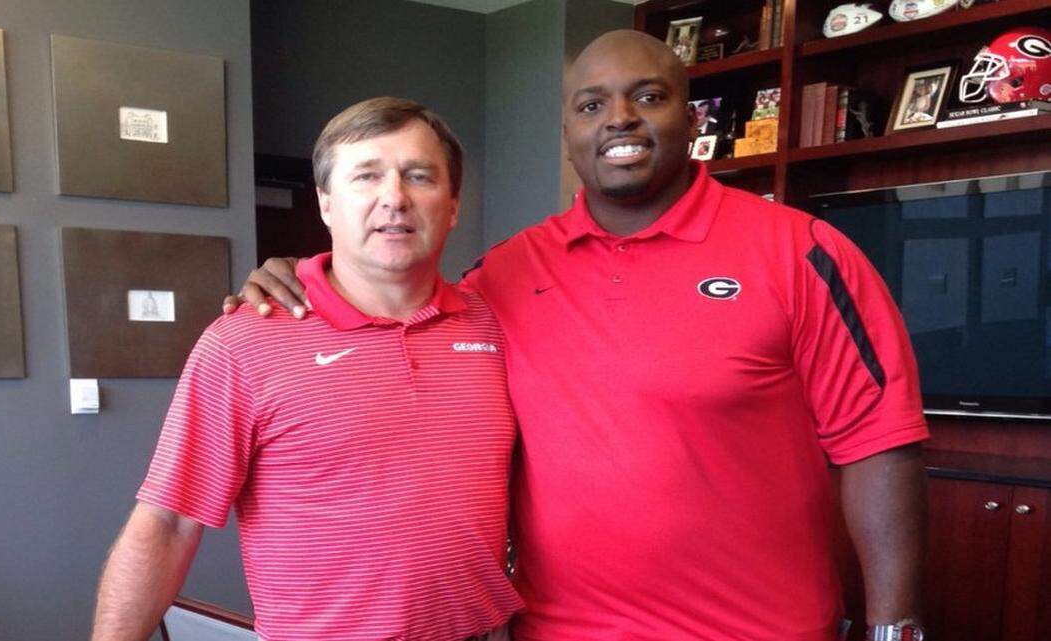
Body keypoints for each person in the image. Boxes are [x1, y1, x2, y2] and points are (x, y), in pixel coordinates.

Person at [229, 30, 929, 641]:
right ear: (568, 133)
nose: (619, 118)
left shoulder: (801, 252)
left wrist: (894, 625)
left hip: (757, 628)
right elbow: (396, 319)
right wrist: (301, 277)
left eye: (648, 96)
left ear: (690, 116)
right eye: (591, 105)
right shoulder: (500, 276)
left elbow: (880, 443)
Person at [92, 97, 522, 641]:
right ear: (325, 204)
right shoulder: (244, 341)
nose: (395, 198)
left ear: (453, 204)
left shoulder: (493, 326)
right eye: (366, 176)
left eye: (419, 176)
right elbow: (168, 523)